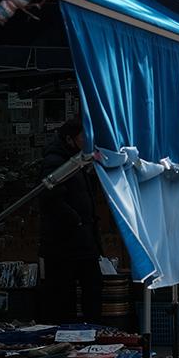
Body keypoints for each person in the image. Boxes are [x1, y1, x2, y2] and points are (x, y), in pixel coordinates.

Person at [39, 118, 102, 324]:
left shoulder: (78, 159)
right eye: (82, 137)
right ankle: (66, 334)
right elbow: (51, 198)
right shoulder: (56, 161)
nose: (86, 141)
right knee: (64, 293)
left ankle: (89, 330)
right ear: (69, 139)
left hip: (83, 240)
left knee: (92, 287)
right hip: (65, 242)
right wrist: (75, 221)